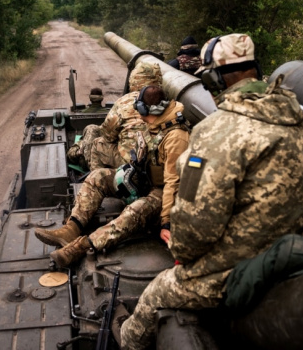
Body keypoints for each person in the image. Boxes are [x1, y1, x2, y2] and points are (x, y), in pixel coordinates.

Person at [119, 33, 303, 350]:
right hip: (287, 258)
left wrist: (182, 254)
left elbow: (194, 226)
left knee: (157, 292)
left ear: (214, 78)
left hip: (238, 271)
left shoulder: (216, 132)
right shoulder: (299, 123)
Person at [34, 85, 190, 266]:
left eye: (139, 109)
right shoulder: (156, 124)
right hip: (146, 178)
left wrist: (166, 222)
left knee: (135, 211)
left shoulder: (176, 137)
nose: (138, 114)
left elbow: (173, 183)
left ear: (148, 109)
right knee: (97, 176)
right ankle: (71, 229)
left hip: (163, 191)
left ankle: (81, 247)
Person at [66, 62, 163, 171]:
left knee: (96, 141)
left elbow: (107, 135)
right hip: (156, 162)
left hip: (131, 161)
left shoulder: (125, 101)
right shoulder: (167, 102)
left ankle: (96, 177)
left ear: (134, 80)